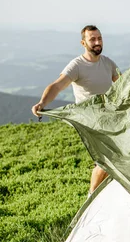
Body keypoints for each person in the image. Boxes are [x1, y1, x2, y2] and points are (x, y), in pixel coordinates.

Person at [31, 25, 120, 194]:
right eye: (92, 39)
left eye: (99, 38)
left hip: (109, 119)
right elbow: (57, 86)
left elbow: (124, 85)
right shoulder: (77, 65)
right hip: (89, 122)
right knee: (107, 159)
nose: (97, 42)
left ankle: (100, 195)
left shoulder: (108, 63)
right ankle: (92, 196)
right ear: (83, 43)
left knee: (113, 160)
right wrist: (42, 103)